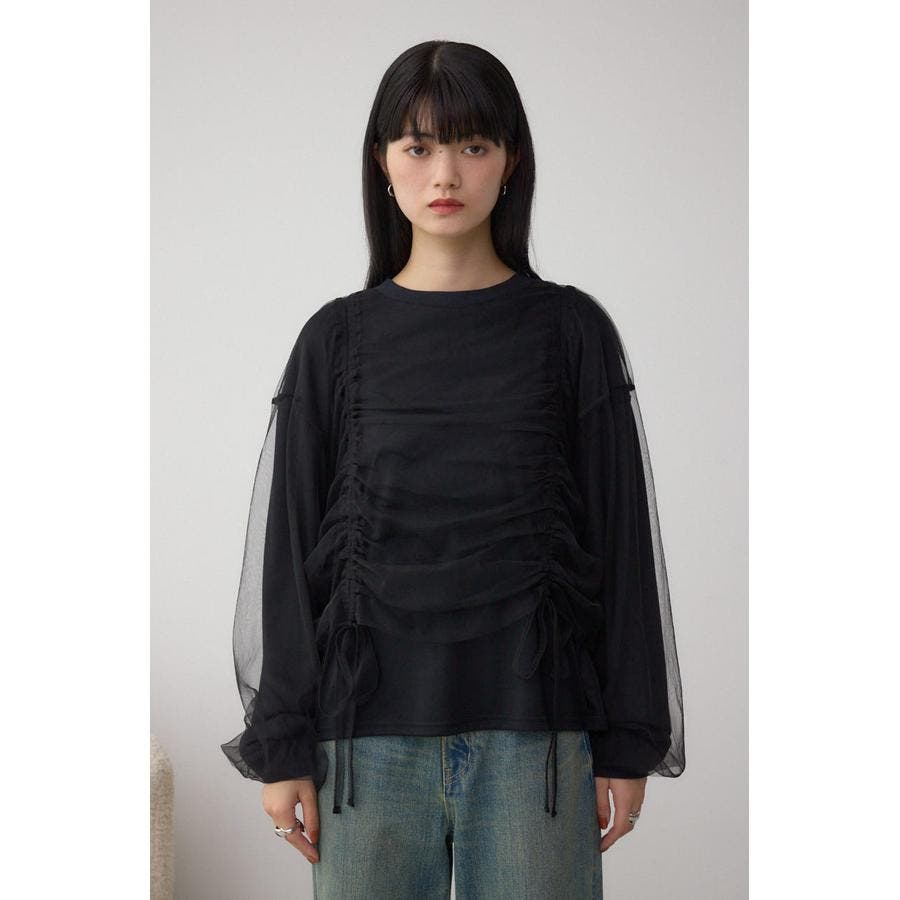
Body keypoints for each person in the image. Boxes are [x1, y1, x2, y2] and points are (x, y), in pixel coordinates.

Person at [221, 39, 685, 899]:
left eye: (472, 145)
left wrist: (628, 740)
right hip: (362, 751)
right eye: (419, 146)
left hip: (537, 746)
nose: (445, 174)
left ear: (511, 161)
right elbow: (286, 555)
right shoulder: (334, 342)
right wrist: (283, 745)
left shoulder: (572, 333)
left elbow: (622, 543)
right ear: (383, 164)